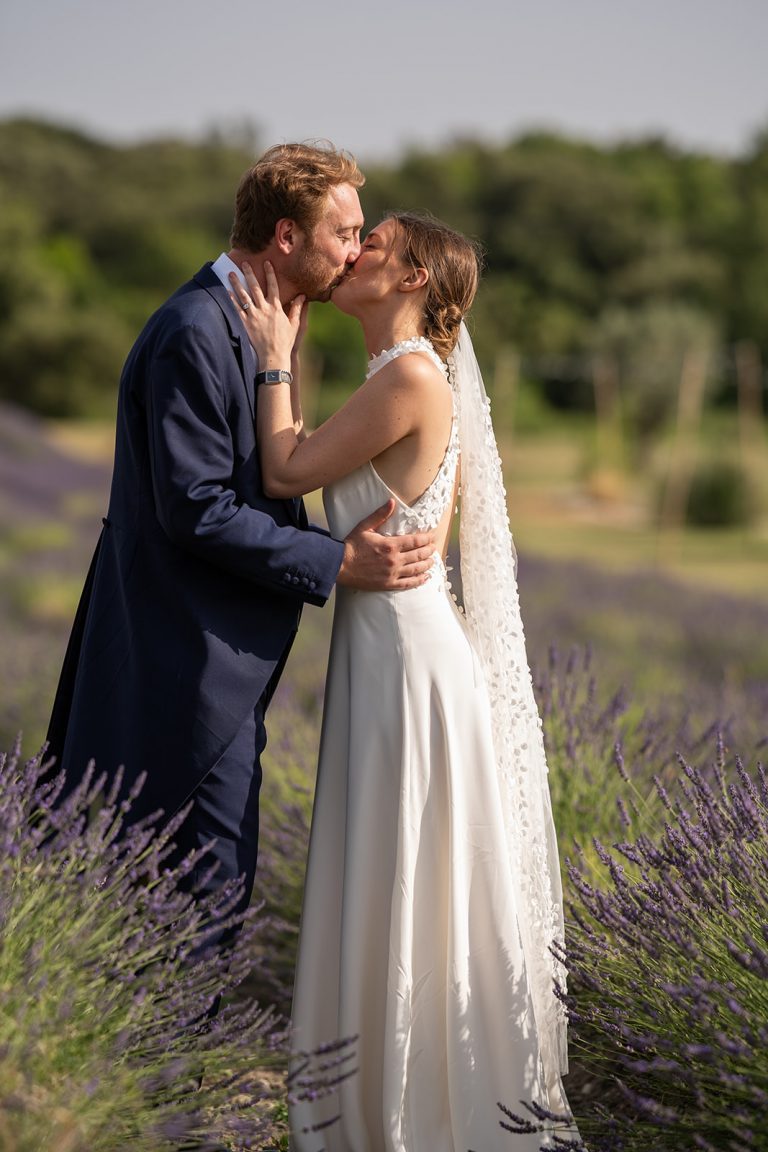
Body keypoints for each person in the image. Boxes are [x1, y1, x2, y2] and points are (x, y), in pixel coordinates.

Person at [230, 211, 576, 1150]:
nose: (354, 252)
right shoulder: (394, 375)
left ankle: (406, 1118)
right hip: (385, 649)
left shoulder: (413, 375)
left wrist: (272, 353)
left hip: (408, 663)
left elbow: (283, 465)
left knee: (403, 875)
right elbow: (305, 467)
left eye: (372, 242)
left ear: (414, 273)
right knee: (393, 874)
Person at [45, 144, 437, 947]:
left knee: (198, 892)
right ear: (287, 238)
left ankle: (179, 1063)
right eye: (344, 233)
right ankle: (176, 1068)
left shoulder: (259, 326)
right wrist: (336, 561)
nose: (357, 251)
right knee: (197, 894)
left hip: (216, 660)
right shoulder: (195, 329)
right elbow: (196, 508)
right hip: (180, 664)